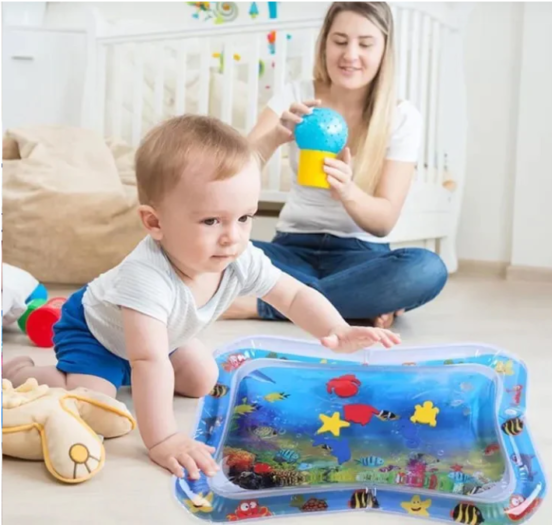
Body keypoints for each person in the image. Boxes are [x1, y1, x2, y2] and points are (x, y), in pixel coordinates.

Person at [3, 115, 400, 481]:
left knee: (202, 380)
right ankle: (21, 371)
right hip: (97, 332)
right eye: (212, 221)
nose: (232, 236)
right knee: (95, 400)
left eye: (244, 217)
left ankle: (127, 371)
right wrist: (163, 441)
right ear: (154, 222)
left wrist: (336, 328)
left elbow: (293, 294)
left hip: (162, 336)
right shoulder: (147, 278)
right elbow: (148, 359)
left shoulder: (237, 254)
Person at [222, 2, 448, 328]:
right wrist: (274, 136)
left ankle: (266, 305)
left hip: (360, 257)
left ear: (384, 50)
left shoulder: (402, 117)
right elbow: (231, 174)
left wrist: (348, 192)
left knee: (427, 268)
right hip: (290, 251)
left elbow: (383, 222)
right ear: (324, 43)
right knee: (206, 248)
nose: (350, 55)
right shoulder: (296, 94)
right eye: (340, 41)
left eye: (365, 44)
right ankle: (352, 303)